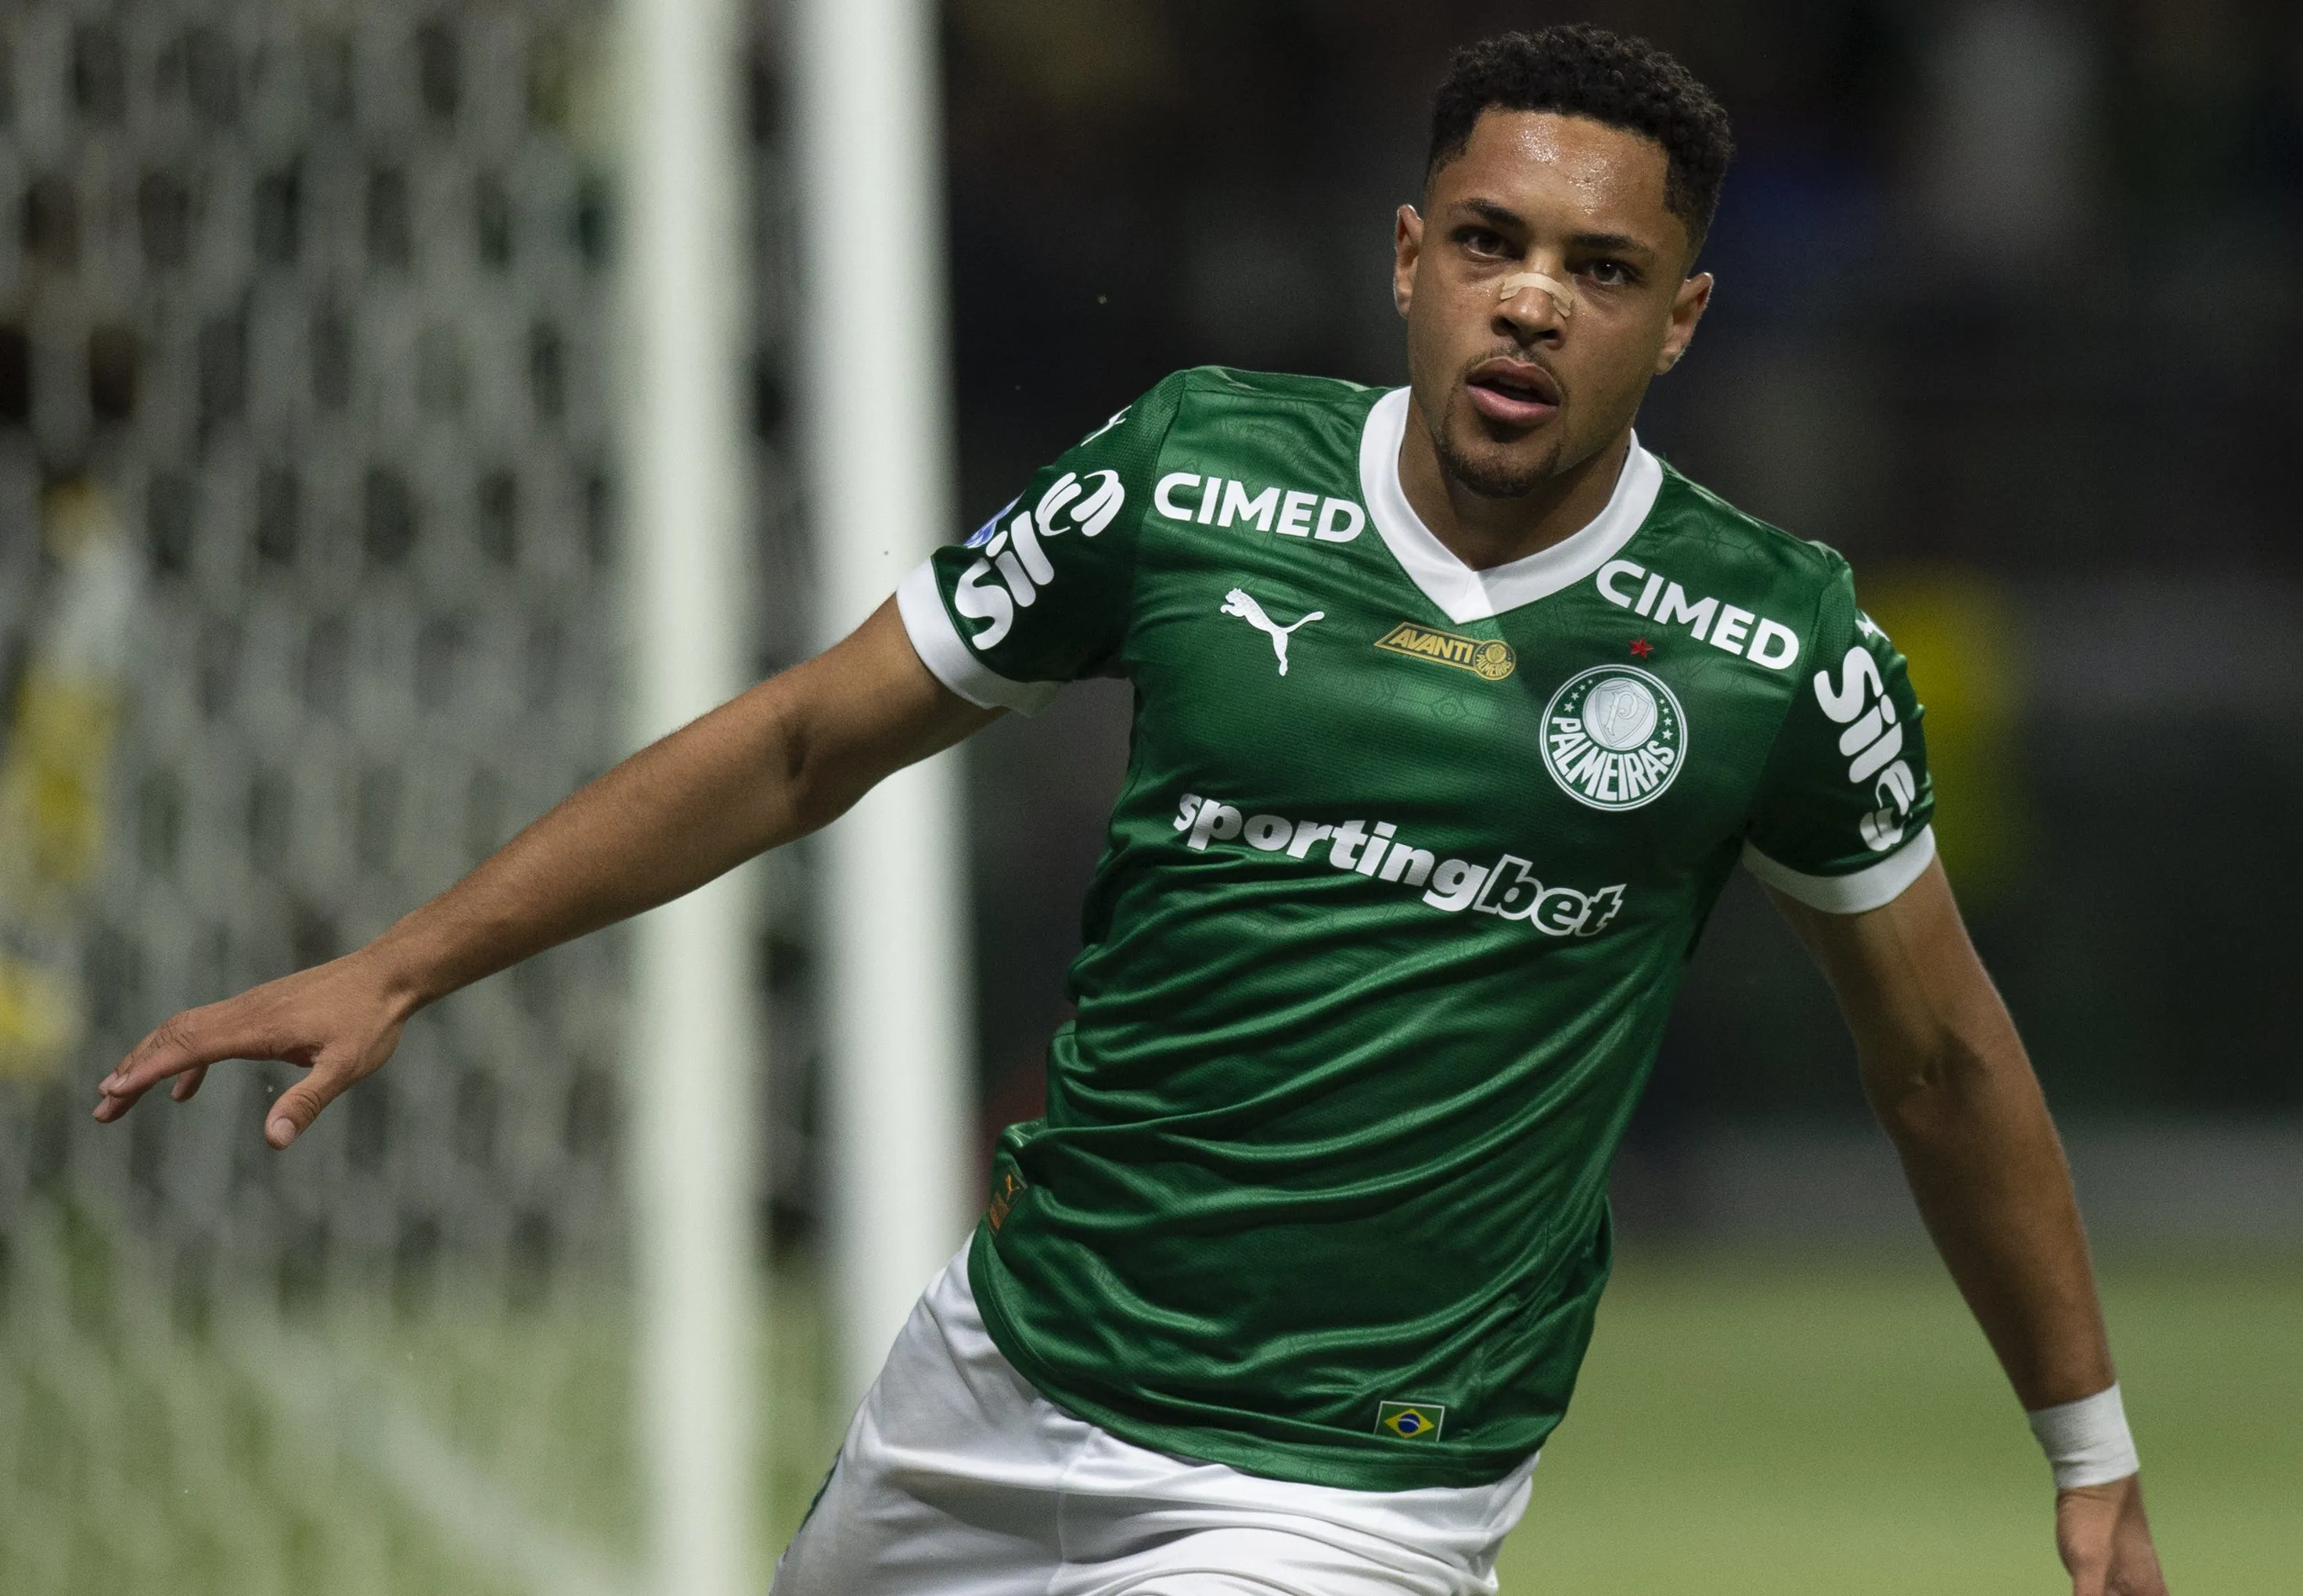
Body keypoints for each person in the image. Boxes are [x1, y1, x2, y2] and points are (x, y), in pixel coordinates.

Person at [95, 25, 2166, 1596]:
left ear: (1680, 319)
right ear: (1409, 261)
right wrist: (403, 966)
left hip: (1343, 1494)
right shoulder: (1191, 477)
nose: (1533, 299)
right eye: (1490, 243)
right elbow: (809, 742)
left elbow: (1940, 1057)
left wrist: (2086, 1450)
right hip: (989, 1390)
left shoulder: (1769, 645)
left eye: (1601, 269)